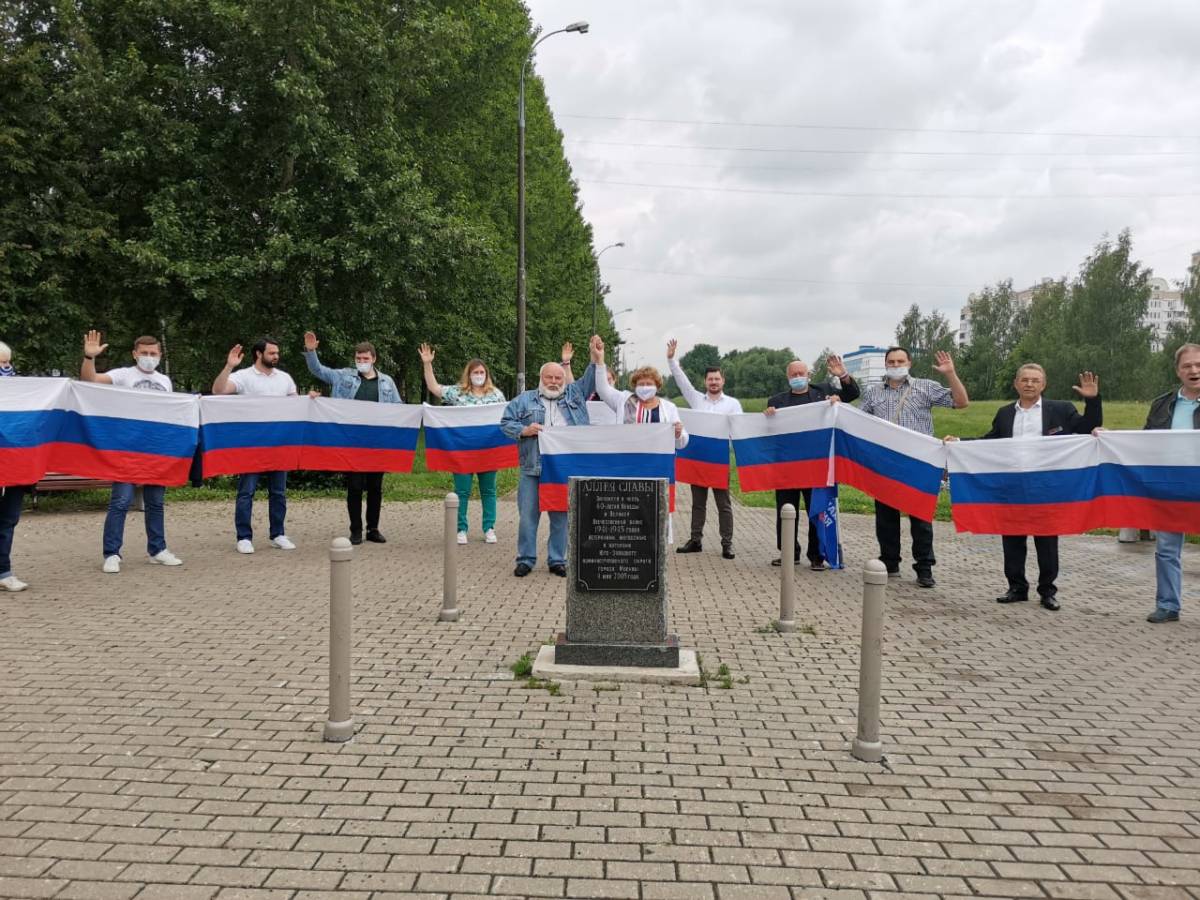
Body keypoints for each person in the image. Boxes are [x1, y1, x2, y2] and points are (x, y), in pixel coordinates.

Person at [946, 365, 1101, 612]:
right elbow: (991, 443)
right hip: (1013, 484)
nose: (1029, 384)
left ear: (1044, 384)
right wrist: (960, 443)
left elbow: (1086, 428)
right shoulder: (1005, 413)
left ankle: (1048, 591)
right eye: (1025, 380)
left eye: (1035, 380)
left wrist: (1092, 400)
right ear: (1016, 384)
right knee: (1012, 538)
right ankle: (1017, 587)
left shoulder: (1061, 410)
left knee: (1047, 541)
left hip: (1046, 486)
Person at [859, 346, 968, 587]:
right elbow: (859, 422)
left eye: (900, 361)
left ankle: (924, 567)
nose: (896, 365)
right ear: (885, 364)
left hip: (919, 461)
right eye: (891, 361)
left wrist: (950, 374)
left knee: (921, 517)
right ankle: (889, 561)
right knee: (886, 518)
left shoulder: (925, 387)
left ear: (909, 363)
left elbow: (961, 402)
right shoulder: (873, 393)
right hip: (886, 462)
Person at [79, 330, 185, 574]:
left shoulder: (164, 381)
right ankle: (112, 553)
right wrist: (89, 357)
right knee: (121, 501)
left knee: (155, 503)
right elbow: (90, 380)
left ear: (160, 355)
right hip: (126, 449)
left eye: (153, 353)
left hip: (156, 449)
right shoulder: (123, 375)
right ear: (135, 354)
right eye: (144, 353)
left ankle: (157, 550)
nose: (149, 357)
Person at [500, 336, 600, 577]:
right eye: (549, 378)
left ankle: (557, 559)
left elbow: (591, 378)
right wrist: (524, 431)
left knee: (561, 516)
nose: (554, 382)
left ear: (564, 379)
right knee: (528, 517)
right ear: (541, 379)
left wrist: (595, 355)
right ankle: (525, 559)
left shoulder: (575, 396)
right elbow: (505, 422)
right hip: (532, 467)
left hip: (564, 469)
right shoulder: (524, 400)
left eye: (558, 378)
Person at [305, 331, 402, 545]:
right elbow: (318, 370)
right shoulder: (344, 376)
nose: (362, 362)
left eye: (365, 359)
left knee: (375, 487)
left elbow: (399, 409)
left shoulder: (387, 382)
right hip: (351, 442)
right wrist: (311, 351)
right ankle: (356, 529)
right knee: (355, 486)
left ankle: (373, 528)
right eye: (358, 359)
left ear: (374, 359)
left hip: (377, 442)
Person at [763, 355, 859, 569]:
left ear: (808, 375)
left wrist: (842, 375)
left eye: (801, 373)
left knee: (817, 509)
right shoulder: (776, 401)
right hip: (787, 466)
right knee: (786, 511)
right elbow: (769, 432)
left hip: (816, 465)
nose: (798, 377)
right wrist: (768, 416)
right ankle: (789, 552)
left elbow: (853, 393)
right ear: (788, 377)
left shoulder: (823, 393)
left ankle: (817, 555)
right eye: (793, 374)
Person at [212, 337, 299, 554]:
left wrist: (311, 399)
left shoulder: (285, 378)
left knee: (278, 492)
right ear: (259, 354)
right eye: (271, 353)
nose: (276, 356)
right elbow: (218, 391)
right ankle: (244, 537)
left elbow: (297, 404)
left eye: (277, 353)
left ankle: (278, 533)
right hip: (251, 445)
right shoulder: (244, 377)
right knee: (246, 492)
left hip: (279, 444)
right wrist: (229, 366)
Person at [594, 349, 689, 544]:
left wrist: (679, 433)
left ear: (657, 385)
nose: (645, 387)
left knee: (655, 511)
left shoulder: (668, 408)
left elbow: (682, 441)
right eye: (641, 383)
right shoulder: (624, 401)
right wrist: (600, 360)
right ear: (634, 386)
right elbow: (603, 389)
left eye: (649, 383)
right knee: (627, 511)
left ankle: (655, 552)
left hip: (656, 468)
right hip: (627, 467)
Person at [419, 342, 505, 545]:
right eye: (475, 372)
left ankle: (489, 527)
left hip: (488, 451)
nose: (479, 375)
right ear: (469, 374)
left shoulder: (496, 394)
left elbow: (504, 418)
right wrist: (427, 364)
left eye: (482, 372)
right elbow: (434, 388)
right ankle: (461, 529)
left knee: (489, 491)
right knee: (462, 492)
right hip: (463, 452)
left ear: (487, 374)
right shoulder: (458, 393)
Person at [666, 339, 742, 559]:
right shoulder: (696, 399)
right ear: (705, 381)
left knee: (724, 504)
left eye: (717, 379)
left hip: (719, 460)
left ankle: (727, 543)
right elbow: (682, 382)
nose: (714, 382)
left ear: (723, 381)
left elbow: (738, 429)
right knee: (698, 503)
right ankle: (695, 539)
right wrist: (671, 360)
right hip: (698, 459)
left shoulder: (733, 404)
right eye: (710, 379)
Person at [1143, 342, 1200, 624]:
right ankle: (1168, 605)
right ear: (1178, 371)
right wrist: (1108, 438)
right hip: (1171, 487)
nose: (1194, 370)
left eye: (1198, 365)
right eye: (1187, 365)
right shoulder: (1162, 403)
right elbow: (1143, 443)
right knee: (1166, 548)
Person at [0, 340, 27, 591]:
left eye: (7, 362)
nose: (6, 368)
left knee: (8, 520)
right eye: (0, 363)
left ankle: (4, 572)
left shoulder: (24, 396)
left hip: (17, 469)